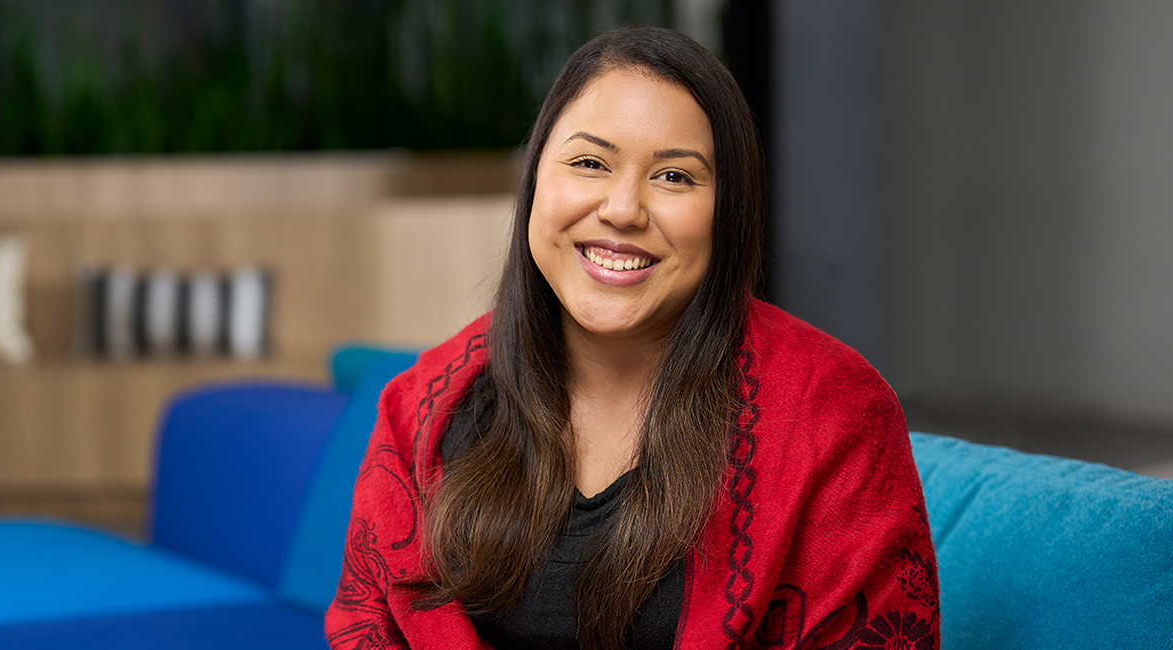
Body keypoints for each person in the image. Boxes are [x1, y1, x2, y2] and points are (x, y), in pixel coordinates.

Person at [327, 26, 937, 650]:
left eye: (675, 177)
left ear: (727, 212)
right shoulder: (422, 403)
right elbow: (364, 626)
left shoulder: (835, 414)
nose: (623, 209)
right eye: (590, 163)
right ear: (537, 177)